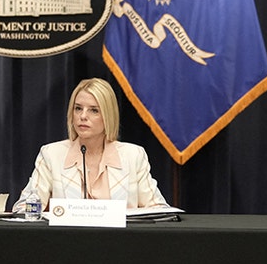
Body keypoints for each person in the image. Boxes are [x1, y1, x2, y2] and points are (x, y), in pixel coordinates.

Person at [14, 78, 168, 210]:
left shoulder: (133, 156)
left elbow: (159, 208)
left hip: (121, 242)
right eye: (78, 108)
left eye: (94, 110)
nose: (82, 116)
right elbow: (24, 206)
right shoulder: (52, 154)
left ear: (108, 115)